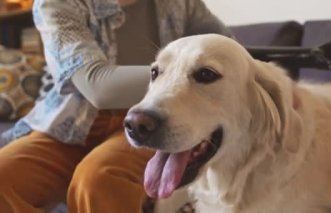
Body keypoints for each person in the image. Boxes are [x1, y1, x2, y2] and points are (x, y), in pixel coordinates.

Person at [0, 0, 231, 212]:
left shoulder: (180, 3)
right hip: (70, 120)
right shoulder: (57, 4)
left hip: (149, 119)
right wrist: (193, 77)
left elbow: (231, 55)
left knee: (98, 181)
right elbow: (97, 86)